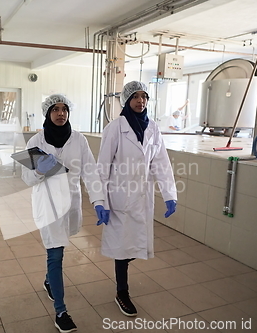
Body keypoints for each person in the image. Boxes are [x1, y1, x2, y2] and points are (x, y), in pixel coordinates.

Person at [21, 94, 109, 333]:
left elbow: (90, 172)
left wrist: (99, 201)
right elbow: (27, 178)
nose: (60, 114)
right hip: (47, 205)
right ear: (47, 114)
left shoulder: (78, 140)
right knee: (56, 254)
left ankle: (49, 280)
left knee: (60, 248)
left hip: (70, 204)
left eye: (64, 110)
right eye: (55, 110)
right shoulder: (36, 142)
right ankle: (61, 311)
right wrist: (40, 170)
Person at [97, 81, 177, 317]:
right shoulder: (115, 128)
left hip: (142, 196)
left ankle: (122, 286)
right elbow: (102, 167)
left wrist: (169, 194)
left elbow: (161, 163)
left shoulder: (152, 127)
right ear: (126, 100)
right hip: (119, 196)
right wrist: (100, 200)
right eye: (135, 97)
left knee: (133, 244)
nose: (140, 101)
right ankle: (122, 292)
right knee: (123, 248)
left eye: (144, 97)